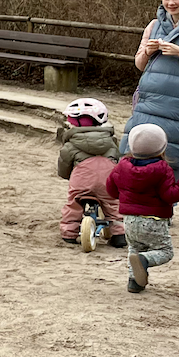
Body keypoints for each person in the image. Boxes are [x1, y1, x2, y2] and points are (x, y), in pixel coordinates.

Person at [106, 123, 179, 293]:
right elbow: (170, 195)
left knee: (134, 248)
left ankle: (135, 282)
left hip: (130, 219)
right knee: (164, 251)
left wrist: (127, 196)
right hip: (154, 220)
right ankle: (145, 260)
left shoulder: (122, 166)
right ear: (162, 147)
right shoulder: (162, 169)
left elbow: (111, 190)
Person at [126, 0, 179, 175]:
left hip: (176, 107)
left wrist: (178, 52)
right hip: (148, 104)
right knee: (138, 163)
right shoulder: (154, 25)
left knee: (170, 167)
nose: (171, 3)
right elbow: (139, 65)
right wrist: (147, 52)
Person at [54, 96, 123, 249]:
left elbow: (64, 166)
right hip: (107, 183)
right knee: (113, 204)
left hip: (81, 183)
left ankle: (69, 233)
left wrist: (67, 176)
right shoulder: (111, 142)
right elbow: (117, 161)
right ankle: (119, 233)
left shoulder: (70, 145)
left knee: (74, 204)